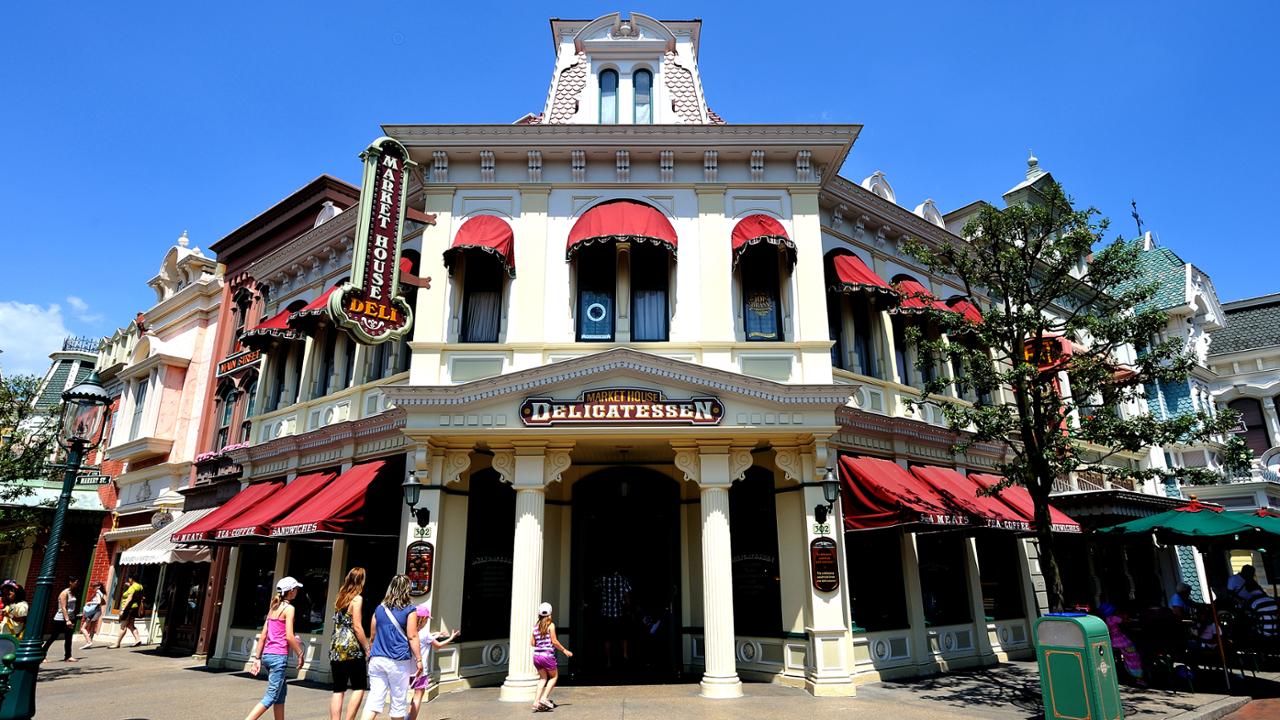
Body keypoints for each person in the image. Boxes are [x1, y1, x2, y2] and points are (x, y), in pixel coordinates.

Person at [244, 577, 305, 720]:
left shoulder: (273, 608)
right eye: (296, 589)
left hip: (267, 655)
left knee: (280, 695)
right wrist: (300, 653)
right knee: (271, 696)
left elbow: (264, 635)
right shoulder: (289, 609)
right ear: (290, 592)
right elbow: (289, 636)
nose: (297, 591)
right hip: (278, 657)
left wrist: (257, 658)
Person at [361, 575, 421, 720]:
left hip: (377, 659)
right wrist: (419, 659)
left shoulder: (379, 609)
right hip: (398, 661)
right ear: (406, 589)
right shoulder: (410, 610)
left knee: (373, 702)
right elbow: (412, 636)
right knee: (398, 704)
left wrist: (370, 652)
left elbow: (373, 635)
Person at [330, 568, 371, 720]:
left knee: (338, 689)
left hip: (336, 646)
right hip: (351, 648)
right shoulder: (357, 599)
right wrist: (367, 647)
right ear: (362, 581)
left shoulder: (340, 597)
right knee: (359, 686)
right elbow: (357, 626)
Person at [406, 603, 459, 720]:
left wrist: (437, 634)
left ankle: (407, 717)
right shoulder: (425, 634)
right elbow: (438, 645)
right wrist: (451, 638)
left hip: (408, 669)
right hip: (421, 671)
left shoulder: (409, 631)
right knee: (418, 696)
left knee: (413, 696)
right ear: (424, 619)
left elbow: (427, 637)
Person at [531, 602, 572, 712]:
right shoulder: (551, 625)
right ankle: (544, 698)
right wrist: (564, 650)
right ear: (550, 614)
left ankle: (536, 702)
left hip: (536, 657)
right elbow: (554, 641)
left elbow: (532, 643)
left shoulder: (535, 627)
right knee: (554, 677)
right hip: (547, 656)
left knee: (543, 678)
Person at [1098, 603, 1145, 687]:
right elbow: (1126, 621)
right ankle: (1138, 676)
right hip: (1120, 641)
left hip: (1111, 642)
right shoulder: (1113, 618)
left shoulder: (1104, 620)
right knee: (1133, 655)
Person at [594, 566, 631, 670]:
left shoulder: (602, 579)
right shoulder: (623, 579)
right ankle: (624, 655)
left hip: (606, 612)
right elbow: (627, 596)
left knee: (607, 637)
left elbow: (595, 590)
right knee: (623, 636)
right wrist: (629, 609)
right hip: (620, 612)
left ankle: (608, 660)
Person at [41, 578, 81, 663]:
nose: (77, 584)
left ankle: (68, 656)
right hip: (61, 619)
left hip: (70, 618)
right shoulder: (64, 593)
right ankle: (42, 655)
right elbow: (63, 607)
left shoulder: (72, 592)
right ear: (70, 582)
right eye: (76, 582)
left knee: (69, 637)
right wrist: (67, 620)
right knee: (53, 637)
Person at [114, 574, 144, 648]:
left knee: (123, 626)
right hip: (135, 608)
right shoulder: (140, 586)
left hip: (128, 609)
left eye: (129, 579)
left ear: (131, 579)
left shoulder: (133, 587)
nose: (128, 580)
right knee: (130, 625)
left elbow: (129, 598)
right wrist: (129, 586)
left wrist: (123, 609)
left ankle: (117, 643)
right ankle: (138, 639)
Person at [81, 581, 107, 649]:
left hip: (93, 612)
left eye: (94, 587)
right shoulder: (101, 593)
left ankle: (89, 642)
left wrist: (89, 602)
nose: (93, 588)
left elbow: (98, 602)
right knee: (92, 627)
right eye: (92, 587)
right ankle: (90, 642)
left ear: (98, 586)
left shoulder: (98, 592)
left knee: (83, 628)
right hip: (98, 611)